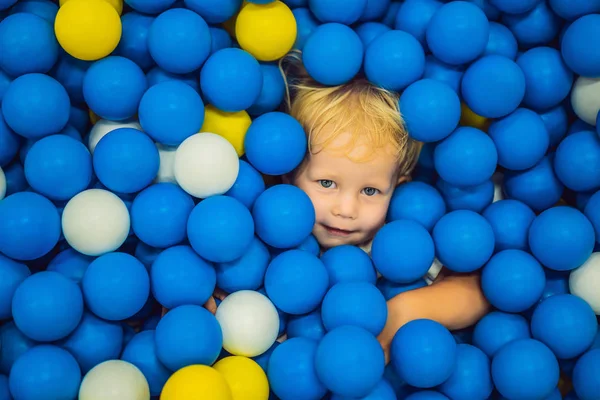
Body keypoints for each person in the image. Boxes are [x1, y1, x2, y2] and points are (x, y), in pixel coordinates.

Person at [279, 52, 490, 361]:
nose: (346, 208)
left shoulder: (400, 243)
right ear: (289, 175)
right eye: (327, 183)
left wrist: (403, 310)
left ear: (397, 190)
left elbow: (477, 291)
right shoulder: (273, 236)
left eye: (370, 190)